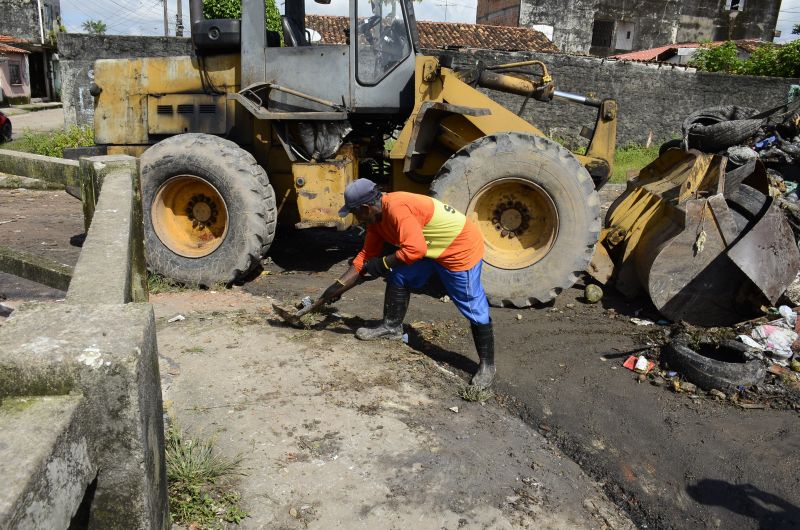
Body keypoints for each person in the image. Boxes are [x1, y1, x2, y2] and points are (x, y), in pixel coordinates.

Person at [318, 178, 496, 388]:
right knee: (399, 275)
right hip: (429, 246)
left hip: (459, 247)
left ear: (366, 208)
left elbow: (414, 250)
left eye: (356, 213)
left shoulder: (396, 209)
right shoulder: (375, 219)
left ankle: (487, 365)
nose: (356, 219)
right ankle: (391, 327)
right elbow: (366, 257)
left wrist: (382, 264)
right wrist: (337, 287)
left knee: (472, 304)